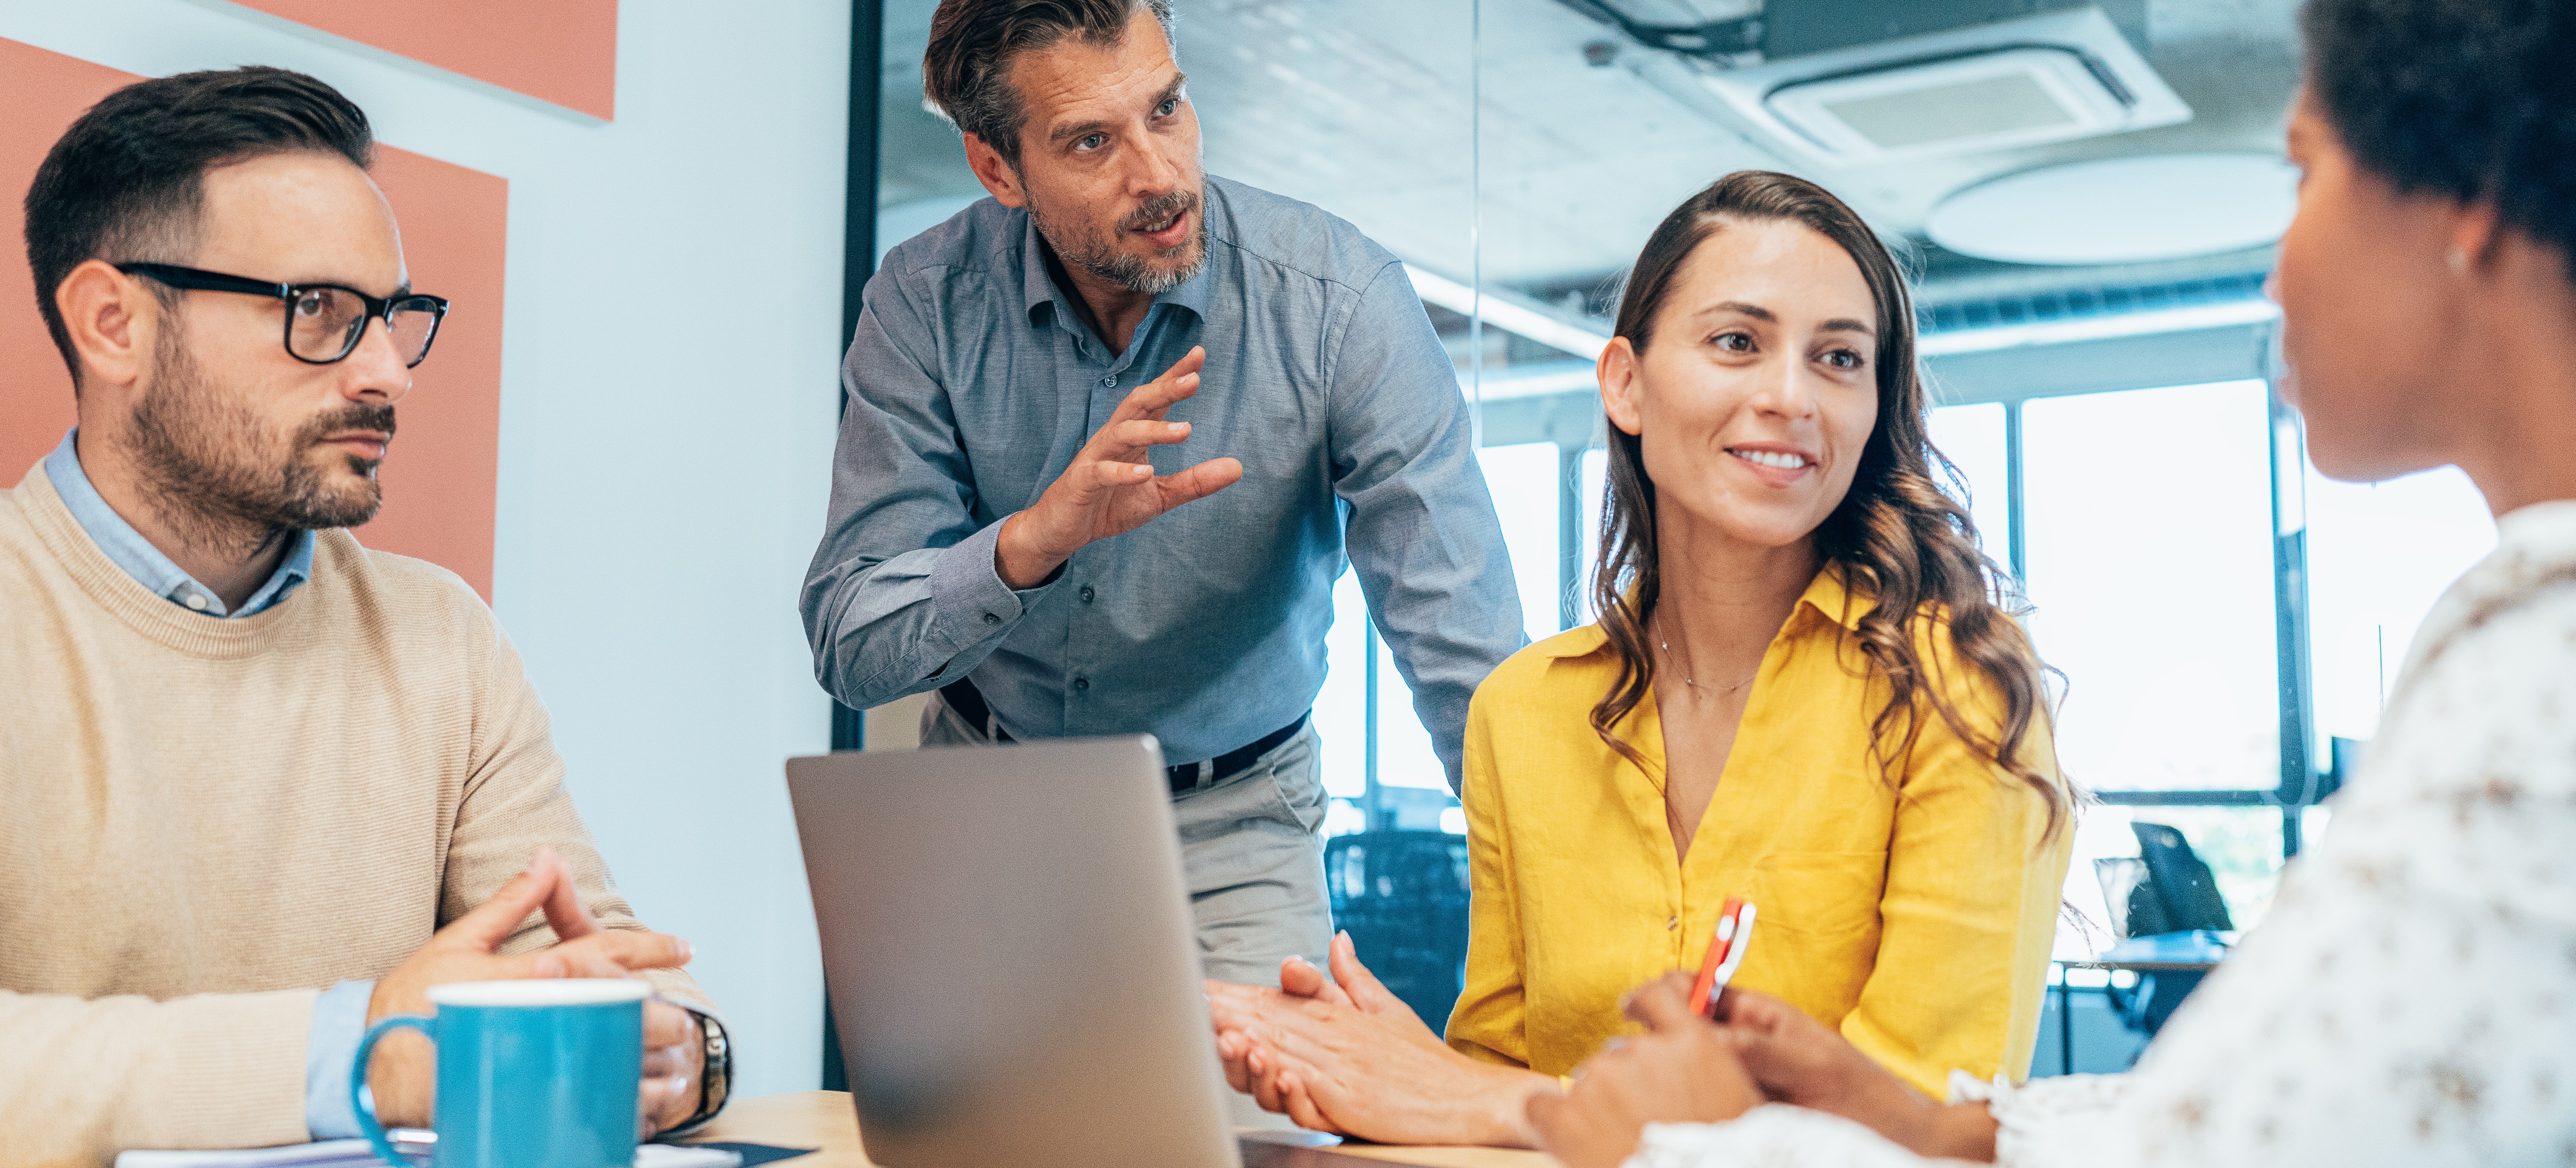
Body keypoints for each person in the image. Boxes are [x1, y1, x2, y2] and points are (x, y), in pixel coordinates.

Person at [1519, 0, 2576, 1164]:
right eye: (1735, 343)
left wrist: (1686, 1143)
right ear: (1624, 382)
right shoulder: (2524, 636)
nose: (2277, 271)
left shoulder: (2539, 666)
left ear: (2467, 205)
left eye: (2302, 176)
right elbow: (2254, 1114)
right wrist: (1928, 1129)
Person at [1206, 171, 2076, 1147]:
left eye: (1838, 358)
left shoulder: (1957, 690)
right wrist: (1409, 1076)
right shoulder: (1523, 712)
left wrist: (1495, 1101)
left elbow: (1923, 1126)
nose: (1791, 394)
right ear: (1625, 381)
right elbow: (1495, 1080)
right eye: (1738, 342)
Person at [0, 68, 729, 1163]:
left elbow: (587, 958)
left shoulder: (439, 636)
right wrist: (363, 1052)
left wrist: (677, 1049)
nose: (386, 371)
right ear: (114, 326)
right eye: (321, 313)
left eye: (392, 317)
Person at [802, 0, 1523, 985]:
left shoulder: (1338, 303)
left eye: (1168, 109)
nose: (1159, 175)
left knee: (1247, 1139)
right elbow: (852, 642)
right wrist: (1028, 544)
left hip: (1240, 821)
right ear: (997, 170)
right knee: (974, 1139)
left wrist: (1557, 907)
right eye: (1092, 141)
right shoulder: (924, 304)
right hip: (985, 796)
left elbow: (1464, 654)